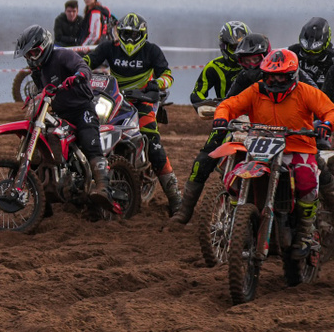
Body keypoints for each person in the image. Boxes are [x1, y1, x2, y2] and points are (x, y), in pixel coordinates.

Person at [211, 49, 334, 252]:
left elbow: (329, 109)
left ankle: (305, 233)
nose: (275, 81)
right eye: (270, 76)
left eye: (280, 76)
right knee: (234, 174)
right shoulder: (256, 91)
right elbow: (230, 104)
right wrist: (221, 117)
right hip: (261, 147)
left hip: (297, 147)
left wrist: (326, 124)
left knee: (307, 179)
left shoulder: (305, 91)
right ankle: (237, 219)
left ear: (291, 76)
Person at [14, 24, 116, 217]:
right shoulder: (38, 70)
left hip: (82, 108)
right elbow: (42, 90)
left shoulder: (62, 55)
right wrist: (33, 98)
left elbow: (83, 67)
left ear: (44, 46)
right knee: (42, 143)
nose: (31, 58)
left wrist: (77, 76)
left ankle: (103, 187)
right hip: (59, 113)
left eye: (34, 53)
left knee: (89, 139)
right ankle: (44, 200)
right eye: (28, 55)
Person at [175, 29, 271, 223]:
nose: (250, 64)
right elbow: (225, 101)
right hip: (235, 124)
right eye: (245, 60)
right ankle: (184, 212)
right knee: (203, 160)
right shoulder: (237, 76)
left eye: (255, 59)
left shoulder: (278, 75)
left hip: (270, 127)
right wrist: (218, 112)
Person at [87, 12, 178, 209]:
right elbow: (87, 61)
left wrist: (157, 84)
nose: (129, 39)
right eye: (126, 34)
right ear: (119, 33)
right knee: (89, 126)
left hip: (142, 101)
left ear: (142, 35)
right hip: (113, 99)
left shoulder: (151, 51)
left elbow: (168, 75)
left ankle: (175, 197)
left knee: (153, 143)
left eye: (134, 35)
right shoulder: (108, 48)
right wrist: (77, 70)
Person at [291, 18, 334, 94]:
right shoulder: (292, 52)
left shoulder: (331, 60)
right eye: (306, 51)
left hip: (324, 99)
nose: (310, 55)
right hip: (294, 97)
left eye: (315, 51)